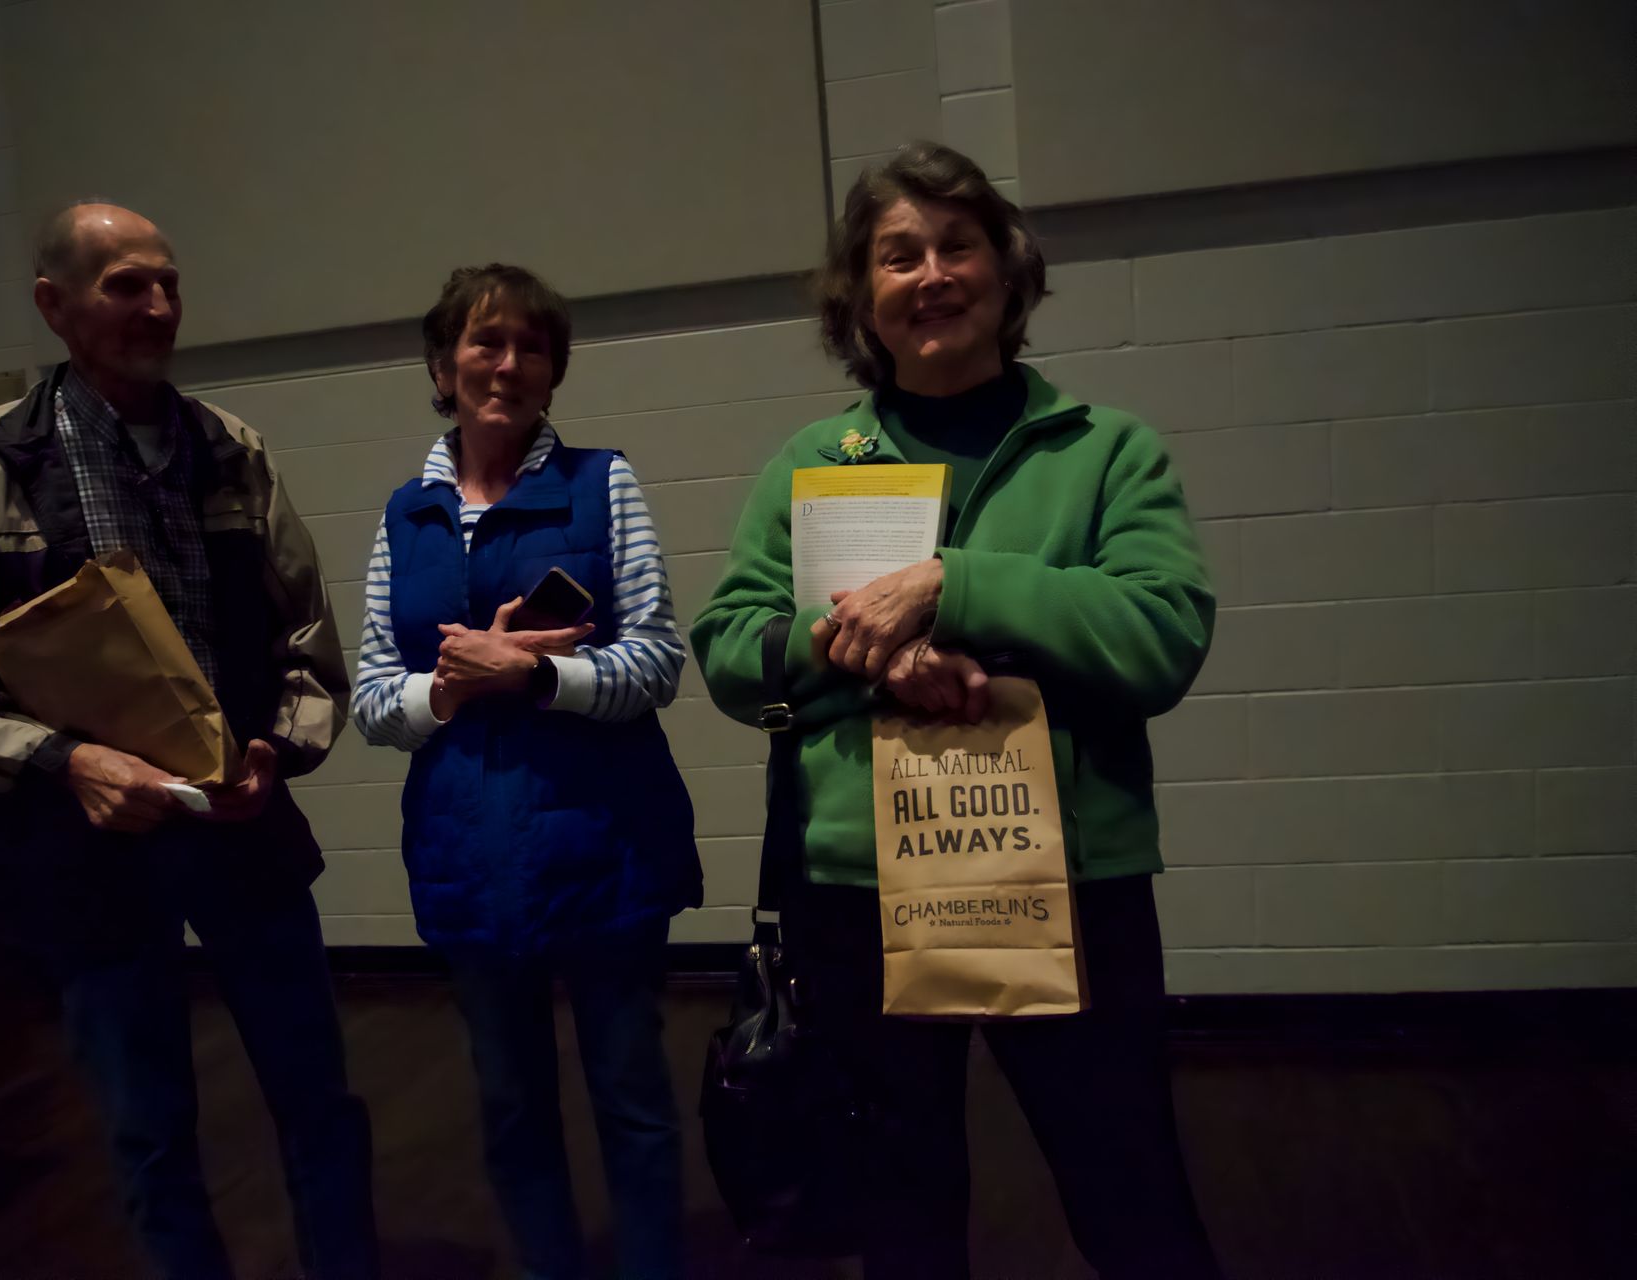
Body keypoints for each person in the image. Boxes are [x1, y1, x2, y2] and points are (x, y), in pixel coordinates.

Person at [692, 142, 1223, 1279]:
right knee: (902, 1214)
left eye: (956, 245)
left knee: (1132, 1192)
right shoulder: (808, 462)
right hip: (861, 895)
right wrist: (863, 653)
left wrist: (955, 583)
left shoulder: (1106, 451)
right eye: (898, 255)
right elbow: (734, 653)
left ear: (1006, 269)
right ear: (860, 296)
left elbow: (1163, 635)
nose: (930, 273)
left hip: (1071, 886)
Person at [0, 203, 378, 1280]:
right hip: (83, 848)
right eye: (125, 285)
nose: (158, 307)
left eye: (169, 283)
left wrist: (276, 749)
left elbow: (308, 646)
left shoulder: (231, 451)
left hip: (242, 826)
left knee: (319, 1102)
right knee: (149, 1130)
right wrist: (67, 762)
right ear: (54, 304)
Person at [353, 264, 700, 1280]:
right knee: (510, 1107)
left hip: (609, 848)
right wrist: (451, 690)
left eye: (530, 347)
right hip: (469, 853)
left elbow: (658, 663)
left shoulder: (603, 483)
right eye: (484, 341)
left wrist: (535, 670)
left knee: (632, 1098)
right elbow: (376, 696)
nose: (507, 364)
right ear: (439, 363)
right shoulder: (404, 513)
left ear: (554, 372)